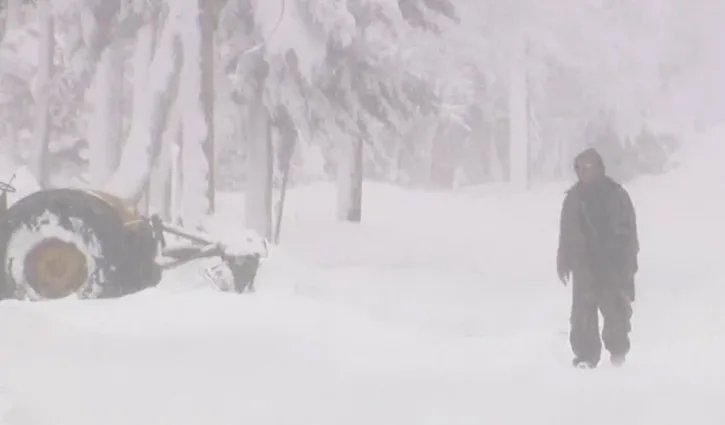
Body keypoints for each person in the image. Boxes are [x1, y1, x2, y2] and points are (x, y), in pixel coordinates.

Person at [556, 148, 639, 368]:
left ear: (600, 168)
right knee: (582, 312)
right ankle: (586, 355)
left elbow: (630, 231)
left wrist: (629, 262)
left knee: (616, 310)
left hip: (612, 265)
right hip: (583, 265)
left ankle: (618, 352)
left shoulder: (616, 195)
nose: (584, 172)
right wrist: (563, 260)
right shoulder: (573, 198)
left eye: (589, 167)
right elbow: (566, 232)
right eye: (580, 168)